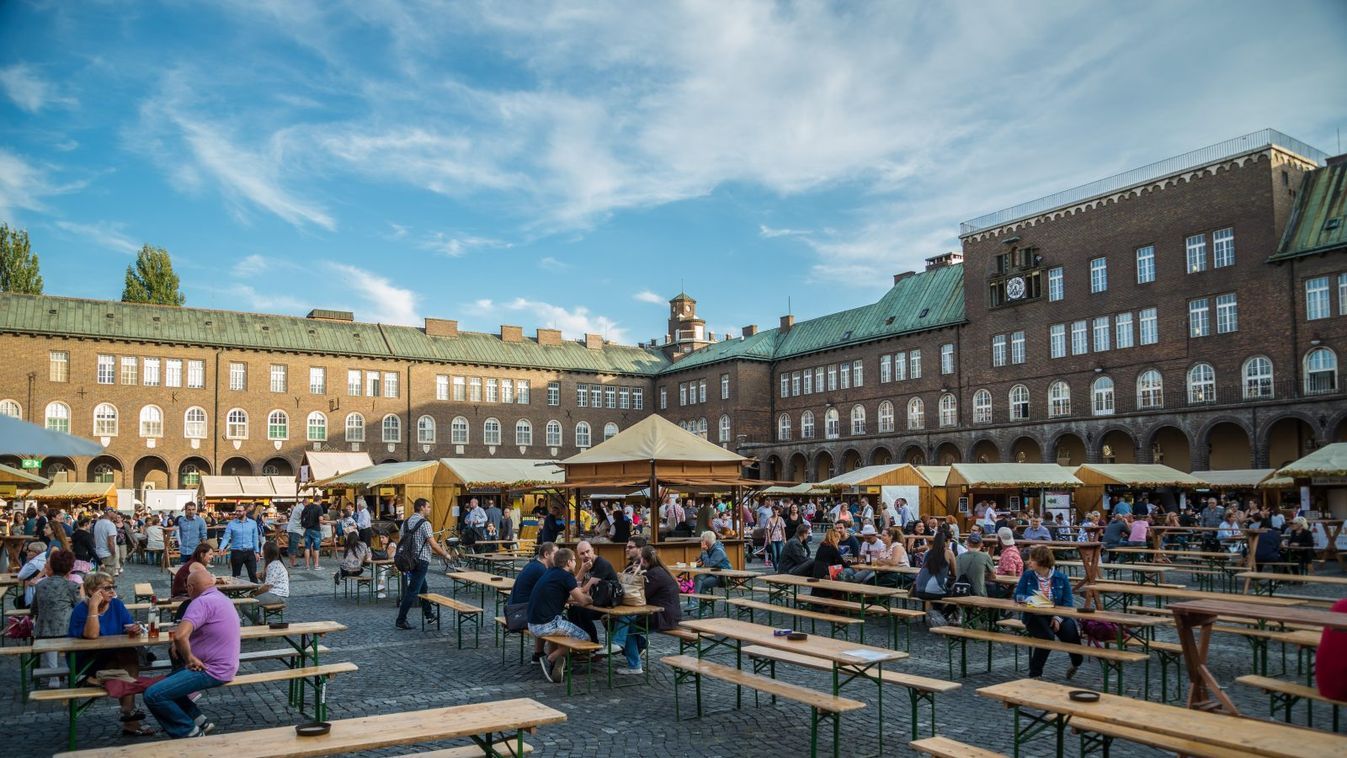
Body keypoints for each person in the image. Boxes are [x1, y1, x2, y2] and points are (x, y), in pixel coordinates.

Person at [144, 569, 240, 738]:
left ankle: (189, 733)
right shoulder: (222, 599)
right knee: (168, 683)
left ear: (190, 587)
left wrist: (189, 658)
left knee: (153, 694)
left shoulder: (201, 602)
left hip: (211, 669)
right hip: (227, 665)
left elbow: (180, 635)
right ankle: (199, 721)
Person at [69, 571, 152, 736]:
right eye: (107, 588)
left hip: (114, 656)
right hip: (88, 661)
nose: (112, 592)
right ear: (92, 591)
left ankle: (127, 711)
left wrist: (135, 629)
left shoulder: (116, 605)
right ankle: (130, 718)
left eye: (113, 587)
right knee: (126, 661)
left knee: (129, 655)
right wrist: (93, 607)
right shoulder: (80, 610)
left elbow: (128, 626)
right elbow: (92, 635)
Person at [1014, 545, 1083, 680]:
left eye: (1032, 560)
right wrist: (1032, 600)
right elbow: (1018, 596)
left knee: (1071, 633)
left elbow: (1068, 603)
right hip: (1034, 615)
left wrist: (1058, 618)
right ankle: (1035, 674)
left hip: (1057, 614)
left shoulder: (1061, 578)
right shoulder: (1028, 576)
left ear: (1042, 561)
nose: (1029, 562)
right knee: (1046, 637)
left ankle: (1076, 662)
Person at [610, 546, 682, 675]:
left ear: (643, 560)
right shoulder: (659, 571)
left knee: (626, 623)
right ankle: (636, 645)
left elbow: (639, 597)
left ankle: (629, 658)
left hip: (663, 616)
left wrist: (635, 575)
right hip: (668, 614)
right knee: (623, 622)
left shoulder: (653, 575)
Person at [527, 547, 592, 683]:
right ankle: (551, 657)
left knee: (562, 631)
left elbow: (565, 595)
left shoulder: (550, 572)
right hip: (546, 625)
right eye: (574, 560)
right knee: (585, 638)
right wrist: (592, 598)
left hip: (532, 623)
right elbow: (582, 600)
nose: (576, 563)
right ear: (568, 562)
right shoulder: (565, 576)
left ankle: (558, 660)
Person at [395, 498, 452, 630]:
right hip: (421, 561)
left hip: (409, 560)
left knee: (423, 588)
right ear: (421, 508)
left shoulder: (405, 522)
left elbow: (401, 540)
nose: (429, 509)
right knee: (412, 591)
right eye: (428, 507)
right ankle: (401, 619)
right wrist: (445, 554)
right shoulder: (425, 524)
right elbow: (433, 544)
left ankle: (429, 614)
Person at [31, 549, 80, 688]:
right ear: (70, 568)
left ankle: (54, 675)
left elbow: (34, 609)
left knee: (49, 636)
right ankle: (72, 671)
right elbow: (79, 607)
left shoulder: (40, 585)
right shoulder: (71, 586)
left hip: (44, 629)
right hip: (66, 628)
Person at [510, 542, 556, 663]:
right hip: (520, 615)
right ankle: (555, 660)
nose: (558, 557)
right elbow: (553, 593)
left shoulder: (534, 565)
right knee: (555, 620)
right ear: (546, 554)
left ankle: (538, 654)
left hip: (515, 611)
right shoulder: (540, 570)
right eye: (555, 554)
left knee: (545, 613)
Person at [570, 540, 620, 643]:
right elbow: (576, 584)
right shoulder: (585, 565)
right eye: (582, 553)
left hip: (608, 603)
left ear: (593, 550)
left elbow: (585, 589)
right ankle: (581, 643)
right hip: (596, 601)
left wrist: (571, 591)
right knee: (572, 611)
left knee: (581, 612)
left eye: (588, 551)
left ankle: (593, 644)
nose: (586, 555)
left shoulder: (602, 564)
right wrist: (582, 571)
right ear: (578, 555)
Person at [912, 529, 958, 624]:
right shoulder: (948, 553)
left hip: (919, 590)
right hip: (935, 592)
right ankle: (944, 614)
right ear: (946, 541)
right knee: (957, 594)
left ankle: (937, 614)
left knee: (938, 588)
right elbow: (954, 574)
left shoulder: (927, 553)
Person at [220, 507, 262, 582]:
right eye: (236, 511)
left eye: (240, 511)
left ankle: (254, 592)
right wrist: (222, 547)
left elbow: (255, 538)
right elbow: (226, 537)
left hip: (250, 552)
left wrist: (257, 552)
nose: (237, 513)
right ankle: (236, 592)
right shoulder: (231, 524)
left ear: (245, 512)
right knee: (236, 575)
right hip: (237, 552)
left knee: (253, 574)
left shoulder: (253, 523)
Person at [956, 532, 997, 597]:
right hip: (979, 594)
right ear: (981, 544)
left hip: (959, 592)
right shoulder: (985, 556)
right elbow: (993, 576)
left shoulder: (959, 557)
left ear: (967, 543)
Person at [16, 540, 48, 607]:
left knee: (17, 601)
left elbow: (21, 576)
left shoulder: (33, 563)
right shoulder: (46, 558)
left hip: (34, 593)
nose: (27, 552)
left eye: (29, 550)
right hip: (45, 591)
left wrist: (29, 561)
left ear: (36, 552)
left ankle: (25, 617)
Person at [300, 498, 325, 570]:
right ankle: (316, 565)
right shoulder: (319, 507)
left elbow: (302, 517)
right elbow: (320, 519)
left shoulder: (307, 506)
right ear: (320, 500)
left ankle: (307, 566)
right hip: (316, 529)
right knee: (316, 548)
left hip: (307, 529)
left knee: (307, 548)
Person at [93, 509, 119, 575]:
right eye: (114, 513)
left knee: (99, 578)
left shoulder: (98, 523)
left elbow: (95, 539)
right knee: (107, 579)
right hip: (108, 554)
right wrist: (113, 553)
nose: (115, 515)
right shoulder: (110, 524)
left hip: (98, 553)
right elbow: (110, 542)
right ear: (109, 513)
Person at [286, 501, 307, 566]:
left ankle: (291, 562)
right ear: (305, 503)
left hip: (291, 528)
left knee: (290, 546)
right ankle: (293, 563)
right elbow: (304, 520)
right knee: (294, 546)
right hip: (296, 529)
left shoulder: (297, 507)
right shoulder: (302, 509)